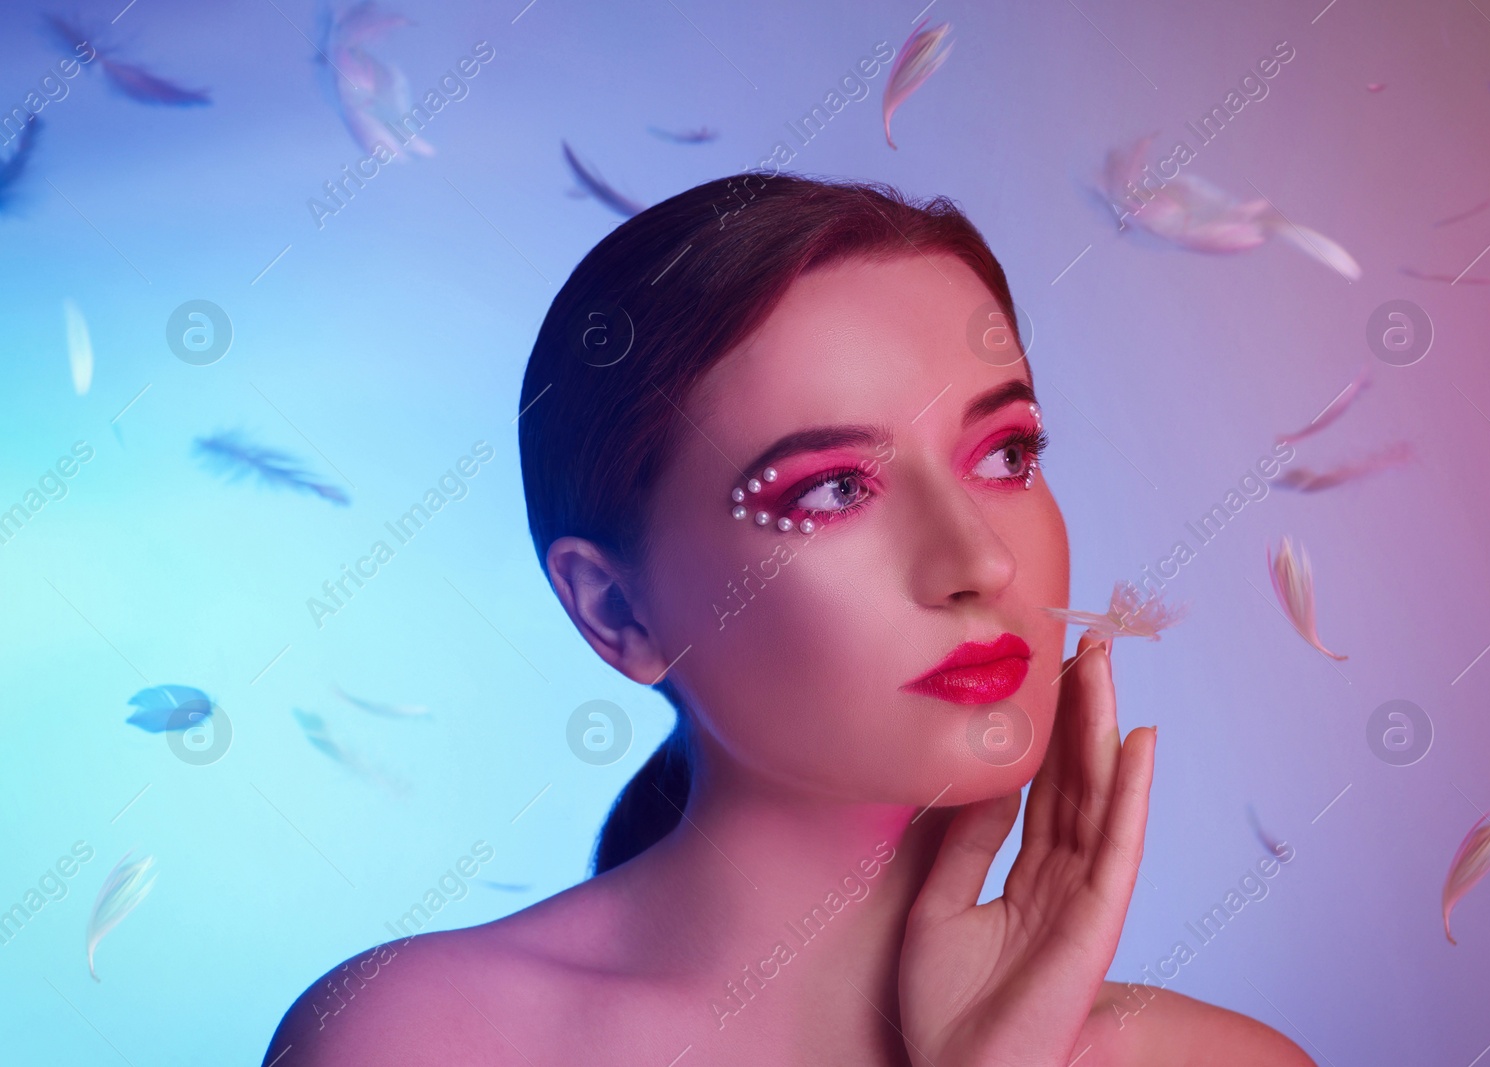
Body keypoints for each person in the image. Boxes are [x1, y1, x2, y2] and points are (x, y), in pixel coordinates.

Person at [265, 173, 1314, 1065]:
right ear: (616, 608)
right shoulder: (428, 1035)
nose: (979, 559)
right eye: (829, 489)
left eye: (1005, 454)